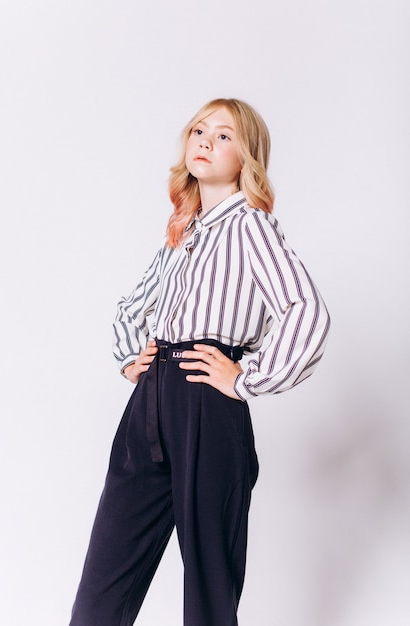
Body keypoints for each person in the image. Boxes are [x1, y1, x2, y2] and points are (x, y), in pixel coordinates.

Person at [69, 98, 330, 626]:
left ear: (248, 156)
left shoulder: (251, 228)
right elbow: (129, 309)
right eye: (198, 130)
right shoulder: (181, 233)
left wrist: (247, 377)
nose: (206, 141)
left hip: (207, 405)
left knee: (209, 587)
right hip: (149, 404)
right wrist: (131, 360)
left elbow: (307, 311)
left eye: (225, 135)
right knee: (104, 580)